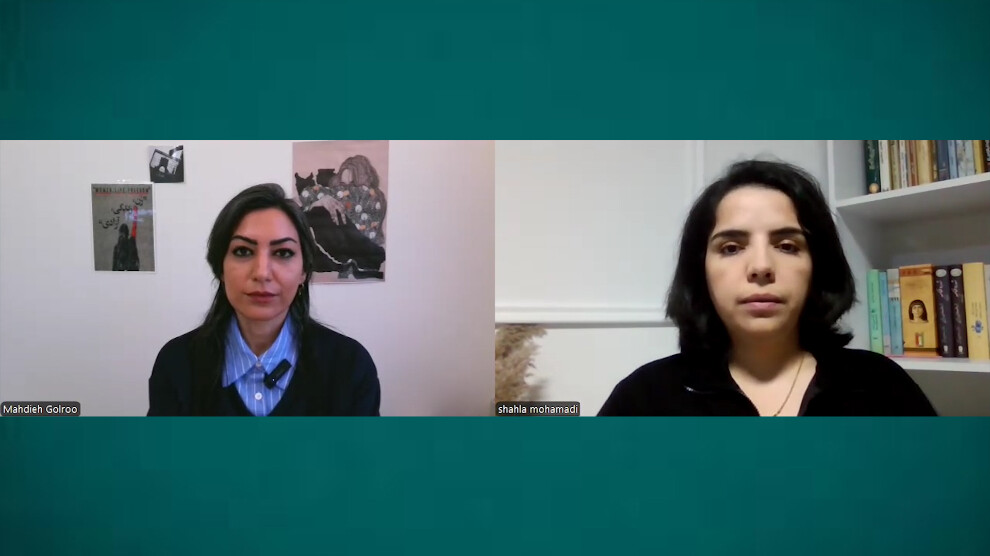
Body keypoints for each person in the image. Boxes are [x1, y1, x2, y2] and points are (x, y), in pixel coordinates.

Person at [598, 160, 936, 416]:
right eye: (731, 247)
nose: (761, 267)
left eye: (787, 246)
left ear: (817, 265)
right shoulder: (644, 398)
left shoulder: (881, 385)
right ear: (700, 270)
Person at [148, 183, 381, 416]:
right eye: (243, 251)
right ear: (220, 267)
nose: (262, 272)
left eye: (283, 253)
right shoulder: (176, 364)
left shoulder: (350, 367)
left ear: (303, 271)